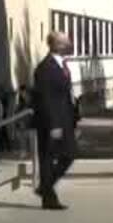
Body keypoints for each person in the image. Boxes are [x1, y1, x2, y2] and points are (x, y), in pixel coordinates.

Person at [32, 31, 79, 210]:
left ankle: (45, 190)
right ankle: (47, 194)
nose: (70, 44)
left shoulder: (62, 65)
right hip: (52, 123)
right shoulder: (45, 68)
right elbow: (45, 99)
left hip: (65, 119)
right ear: (56, 45)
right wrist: (54, 125)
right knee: (49, 157)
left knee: (68, 155)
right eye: (66, 42)